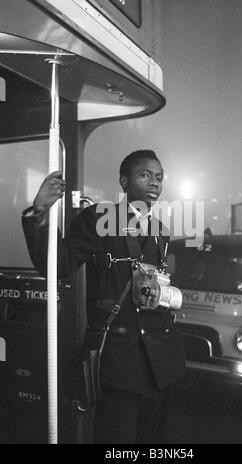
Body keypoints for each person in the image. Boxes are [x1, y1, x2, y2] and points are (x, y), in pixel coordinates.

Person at [22, 149, 186, 444]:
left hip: (162, 363)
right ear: (124, 181)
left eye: (159, 177)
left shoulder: (161, 230)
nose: (154, 183)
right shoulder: (99, 217)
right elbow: (58, 264)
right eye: (145, 175)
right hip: (120, 362)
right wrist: (39, 213)